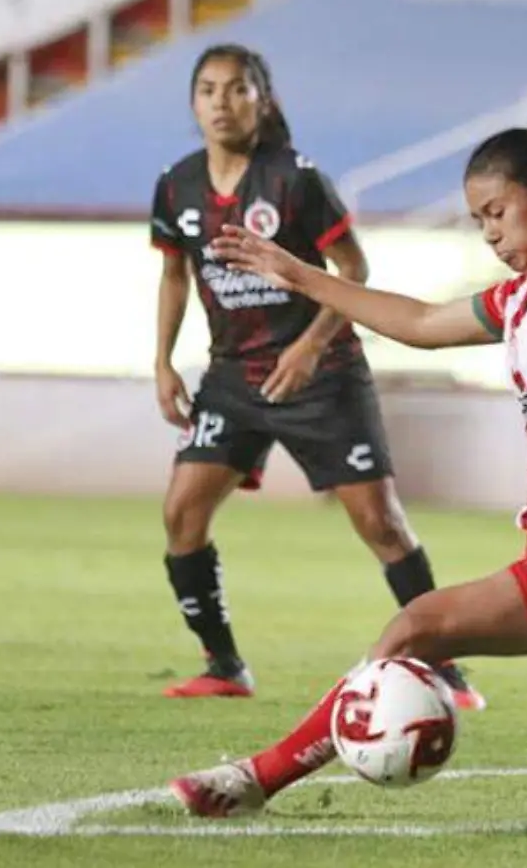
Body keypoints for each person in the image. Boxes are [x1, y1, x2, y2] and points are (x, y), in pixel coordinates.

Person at [168, 127, 527, 818]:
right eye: (478, 221)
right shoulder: (523, 296)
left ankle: (256, 779)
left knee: (416, 627)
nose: (489, 233)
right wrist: (299, 274)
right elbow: (422, 320)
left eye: (497, 212)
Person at [150, 43, 476, 707]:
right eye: (208, 90)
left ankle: (445, 667)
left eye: (236, 89)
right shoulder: (176, 185)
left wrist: (306, 347)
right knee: (182, 512)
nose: (221, 102)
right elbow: (174, 273)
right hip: (234, 379)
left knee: (381, 523)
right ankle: (223, 665)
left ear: (262, 100)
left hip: (323, 374)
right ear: (193, 102)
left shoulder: (296, 178)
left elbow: (354, 270)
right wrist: (161, 360)